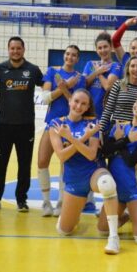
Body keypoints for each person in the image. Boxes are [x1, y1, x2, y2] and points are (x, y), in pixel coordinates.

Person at [49, 89, 118, 250]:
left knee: (107, 184)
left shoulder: (92, 122)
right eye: (76, 101)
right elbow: (62, 156)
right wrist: (84, 137)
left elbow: (91, 154)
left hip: (94, 170)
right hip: (74, 178)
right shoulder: (56, 124)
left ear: (88, 107)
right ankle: (74, 214)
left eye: (84, 104)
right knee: (64, 230)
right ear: (70, 101)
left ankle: (113, 238)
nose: (79, 106)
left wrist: (71, 139)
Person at [0, 37, 44, 213]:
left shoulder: (33, 70)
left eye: (18, 48)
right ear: (8, 49)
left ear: (23, 50)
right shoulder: (0, 69)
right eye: (12, 48)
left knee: (24, 164)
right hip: (4, 126)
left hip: (26, 126)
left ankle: (21, 200)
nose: (15, 51)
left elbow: (47, 86)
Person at [99, 94, 137, 253]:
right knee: (102, 231)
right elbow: (105, 152)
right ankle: (128, 216)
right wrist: (126, 140)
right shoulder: (119, 126)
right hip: (115, 190)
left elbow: (131, 161)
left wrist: (120, 141)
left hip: (134, 189)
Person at [37, 45, 86, 217]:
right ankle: (46, 202)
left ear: (77, 59)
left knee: (65, 165)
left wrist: (66, 88)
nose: (70, 57)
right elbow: (44, 98)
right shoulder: (52, 71)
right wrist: (63, 87)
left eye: (74, 55)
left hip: (70, 126)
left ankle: (61, 202)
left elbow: (76, 103)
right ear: (63, 56)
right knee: (42, 161)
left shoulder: (80, 79)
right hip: (52, 123)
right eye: (67, 54)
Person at [99, 55, 137, 136]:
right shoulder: (118, 84)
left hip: (136, 131)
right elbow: (108, 110)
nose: (136, 69)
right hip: (117, 130)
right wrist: (99, 130)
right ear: (128, 69)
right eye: (132, 66)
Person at [83, 32, 122, 119]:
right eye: (99, 48)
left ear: (111, 47)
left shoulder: (116, 66)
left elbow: (108, 87)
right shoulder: (90, 64)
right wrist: (96, 72)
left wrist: (99, 74)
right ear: (96, 50)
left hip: (106, 115)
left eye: (105, 47)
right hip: (88, 113)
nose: (103, 50)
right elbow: (83, 84)